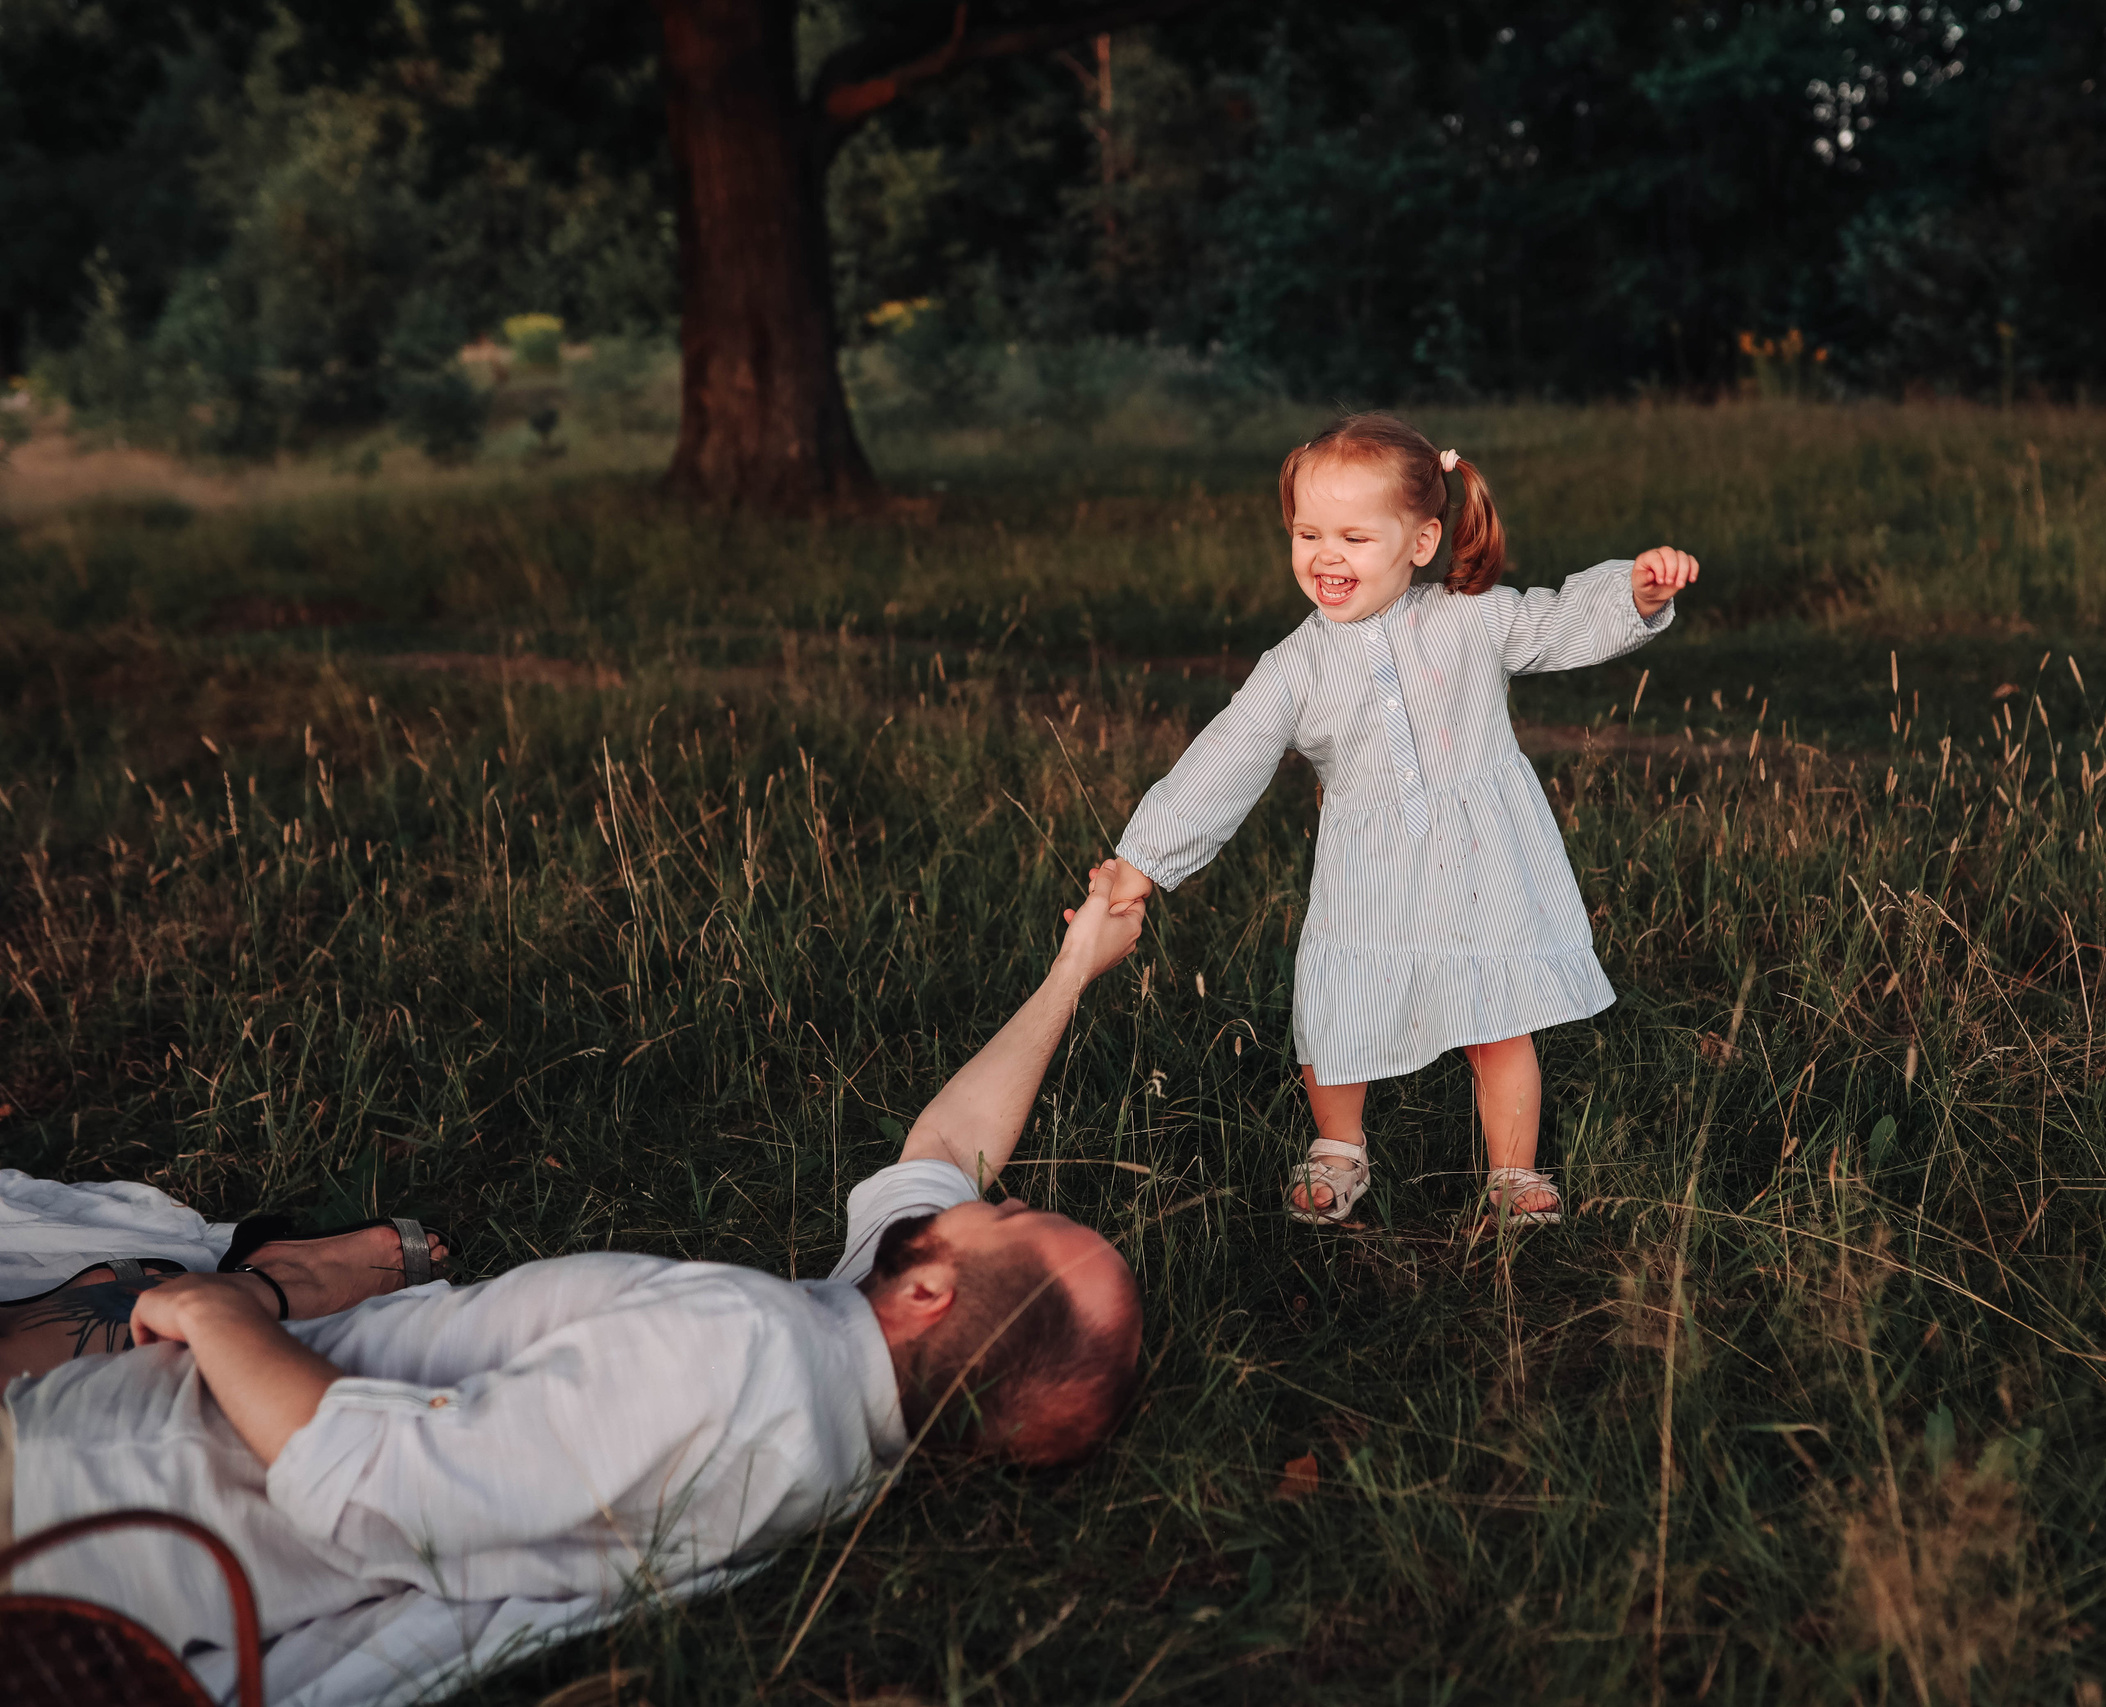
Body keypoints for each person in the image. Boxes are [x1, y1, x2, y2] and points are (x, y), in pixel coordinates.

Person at [0, 863, 1150, 1700]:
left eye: (1014, 1218)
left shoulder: (733, 1351)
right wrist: (1071, 970)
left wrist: (222, 1306)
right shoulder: (854, 1402)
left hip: (92, 1495)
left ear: (933, 1293)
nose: (997, 1197)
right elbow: (943, 1155)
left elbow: (378, 1486)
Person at [1101, 413, 1699, 1228]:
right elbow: (1226, 756)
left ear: (1419, 542)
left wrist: (1634, 591)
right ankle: (1339, 1145)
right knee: (1339, 1002)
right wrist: (1145, 861)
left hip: (1485, 857)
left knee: (1498, 1013)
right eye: (1306, 532)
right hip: (1368, 867)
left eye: (1354, 535)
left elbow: (1556, 620)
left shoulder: (1469, 616)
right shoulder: (1296, 665)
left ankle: (1513, 1170)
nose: (1325, 555)